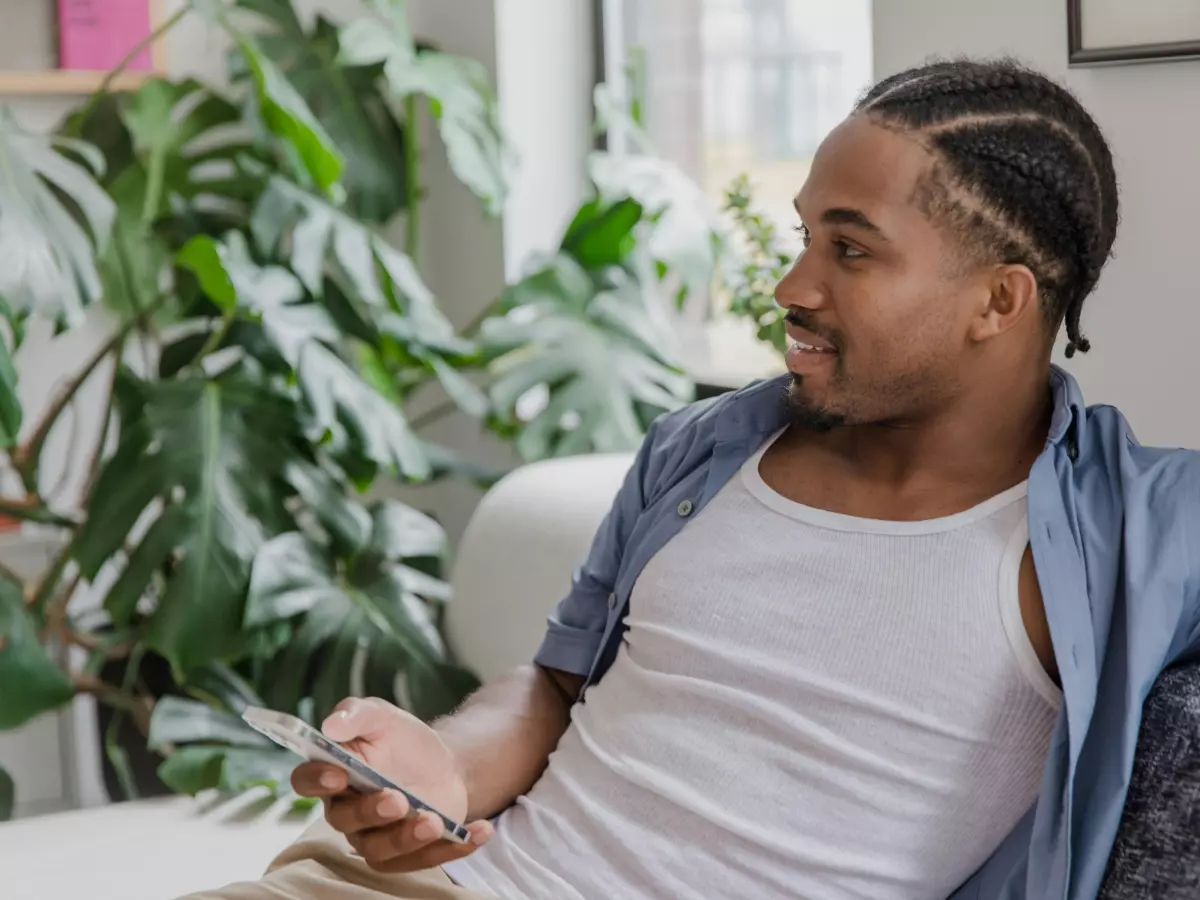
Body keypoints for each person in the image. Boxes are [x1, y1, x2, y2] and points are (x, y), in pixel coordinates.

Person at [183, 57, 1200, 900]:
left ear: (999, 300)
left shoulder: (1135, 526)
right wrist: (444, 768)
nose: (792, 287)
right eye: (804, 236)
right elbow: (553, 686)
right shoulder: (709, 450)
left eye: (851, 250)